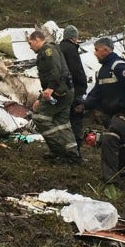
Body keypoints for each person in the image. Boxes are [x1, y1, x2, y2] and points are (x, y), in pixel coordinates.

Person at [78, 38, 125, 189]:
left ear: (105, 50)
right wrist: (83, 105)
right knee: (124, 146)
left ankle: (111, 181)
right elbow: (96, 94)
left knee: (110, 139)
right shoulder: (102, 71)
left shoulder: (119, 65)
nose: (94, 53)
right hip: (113, 114)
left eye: (96, 50)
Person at [27, 31, 81, 164]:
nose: (29, 47)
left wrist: (50, 89)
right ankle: (73, 154)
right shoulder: (48, 50)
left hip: (60, 92)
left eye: (30, 43)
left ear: (37, 39)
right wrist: (41, 96)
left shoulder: (48, 50)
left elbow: (55, 71)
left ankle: (58, 150)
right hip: (65, 91)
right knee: (62, 122)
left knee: (40, 117)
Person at [58, 25, 88, 151]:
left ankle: (62, 147)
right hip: (74, 89)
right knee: (76, 118)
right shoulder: (72, 50)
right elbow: (77, 71)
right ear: (74, 38)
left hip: (60, 90)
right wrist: (83, 85)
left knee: (62, 119)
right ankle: (76, 149)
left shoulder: (58, 48)